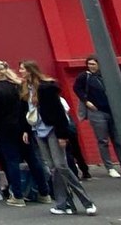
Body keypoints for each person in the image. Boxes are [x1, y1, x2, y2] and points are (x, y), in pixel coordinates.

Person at [21, 60, 96, 216]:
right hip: (37, 130)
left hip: (52, 129)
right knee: (53, 168)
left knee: (61, 165)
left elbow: (58, 112)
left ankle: (86, 201)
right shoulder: (25, 89)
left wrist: (62, 135)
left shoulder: (46, 88)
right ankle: (64, 204)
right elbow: (26, 111)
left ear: (30, 70)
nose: (20, 71)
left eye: (22, 69)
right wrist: (26, 130)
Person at [0, 59, 34, 206]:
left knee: (11, 161)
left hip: (5, 129)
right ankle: (44, 192)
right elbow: (24, 107)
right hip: (22, 126)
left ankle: (18, 195)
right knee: (32, 159)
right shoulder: (17, 85)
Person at [73, 55, 121, 177]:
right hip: (96, 111)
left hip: (111, 110)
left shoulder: (105, 75)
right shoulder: (84, 76)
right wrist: (86, 101)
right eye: (89, 64)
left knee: (118, 139)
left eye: (93, 64)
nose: (91, 66)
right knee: (102, 140)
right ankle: (110, 167)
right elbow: (76, 88)